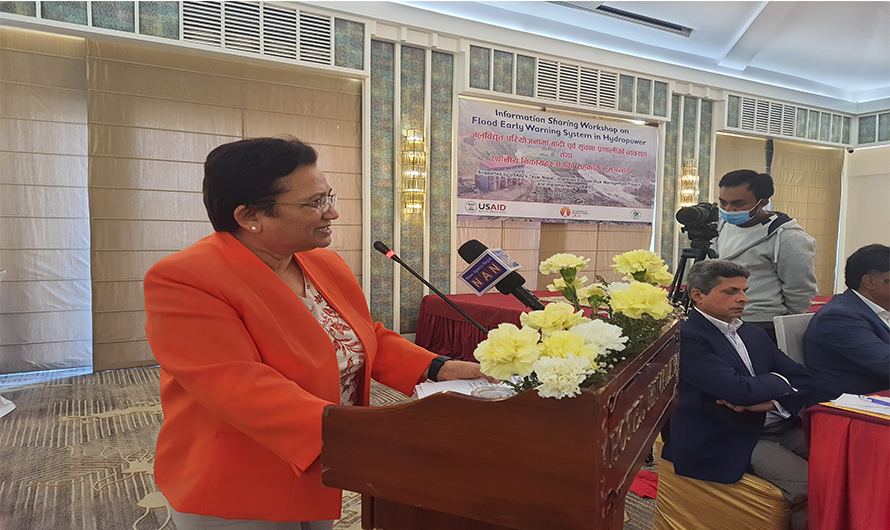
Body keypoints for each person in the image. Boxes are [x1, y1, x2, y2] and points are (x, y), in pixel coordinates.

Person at [144, 136, 488, 530]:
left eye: (328, 197)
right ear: (249, 215)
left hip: (323, 464)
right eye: (315, 203)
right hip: (240, 479)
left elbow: (362, 335)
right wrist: (369, 435)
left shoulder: (323, 263)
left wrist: (441, 368)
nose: (333, 213)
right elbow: (237, 385)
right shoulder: (185, 279)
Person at [661, 260, 815, 530]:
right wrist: (778, 380)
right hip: (729, 434)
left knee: (847, 458)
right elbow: (738, 392)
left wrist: (772, 402)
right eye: (731, 291)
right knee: (811, 484)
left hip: (779, 421)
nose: (743, 299)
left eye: (744, 290)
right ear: (697, 295)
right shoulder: (686, 335)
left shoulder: (752, 332)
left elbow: (804, 379)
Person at [714, 170, 817, 343]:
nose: (729, 210)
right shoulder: (720, 226)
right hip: (719, 318)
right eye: (723, 203)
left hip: (761, 323)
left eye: (738, 203)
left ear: (762, 202)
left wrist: (782, 324)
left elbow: (800, 289)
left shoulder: (787, 237)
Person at [804, 243, 890, 404]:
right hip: (850, 406)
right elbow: (886, 362)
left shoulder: (879, 309)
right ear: (870, 282)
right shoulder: (838, 317)